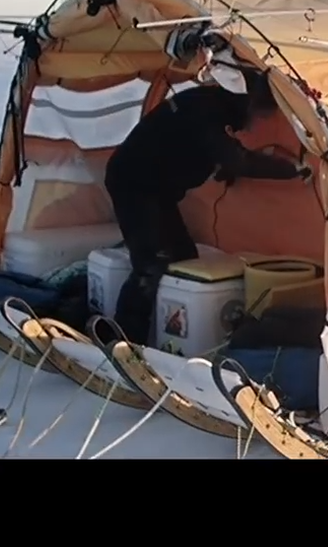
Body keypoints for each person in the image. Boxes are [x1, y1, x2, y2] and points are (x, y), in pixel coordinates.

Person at [102, 63, 310, 345]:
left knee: (182, 256)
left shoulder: (209, 103)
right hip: (134, 183)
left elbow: (200, 148)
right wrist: (292, 169)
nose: (258, 120)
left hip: (154, 188)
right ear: (246, 101)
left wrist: (222, 165)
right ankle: (121, 340)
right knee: (152, 263)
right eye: (260, 112)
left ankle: (167, 337)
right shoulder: (208, 113)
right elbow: (235, 158)